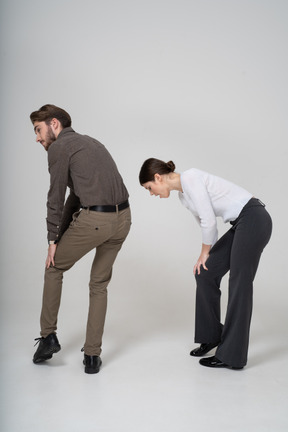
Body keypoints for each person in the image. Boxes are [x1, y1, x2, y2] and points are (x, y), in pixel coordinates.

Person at [139, 158, 272, 370]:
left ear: (157, 177)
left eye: (149, 188)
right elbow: (204, 223)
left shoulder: (191, 177)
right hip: (241, 223)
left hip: (254, 218)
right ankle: (212, 335)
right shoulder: (184, 197)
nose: (151, 193)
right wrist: (207, 255)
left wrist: (204, 252)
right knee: (205, 273)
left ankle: (232, 356)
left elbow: (209, 221)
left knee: (239, 283)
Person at [30, 104, 131, 374]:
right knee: (99, 284)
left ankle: (48, 336)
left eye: (38, 130)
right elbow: (76, 195)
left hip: (96, 221)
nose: (37, 138)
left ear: (54, 124)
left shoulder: (58, 148)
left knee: (54, 267)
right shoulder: (90, 142)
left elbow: (55, 197)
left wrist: (52, 242)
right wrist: (59, 236)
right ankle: (92, 356)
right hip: (124, 220)